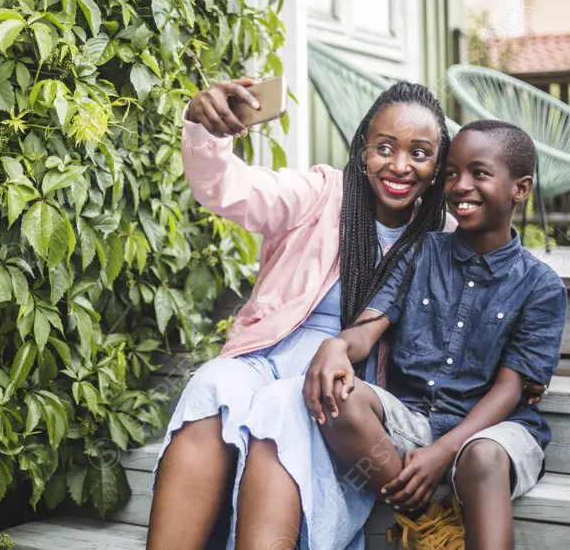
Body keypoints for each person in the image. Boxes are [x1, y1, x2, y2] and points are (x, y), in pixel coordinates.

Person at [147, 76, 457, 550]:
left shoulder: (442, 234)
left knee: (286, 404)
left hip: (345, 388)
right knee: (212, 382)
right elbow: (229, 189)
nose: (399, 165)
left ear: (438, 166)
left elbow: (497, 281)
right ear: (362, 149)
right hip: (264, 358)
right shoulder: (320, 193)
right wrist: (204, 130)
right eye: (384, 148)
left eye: (419, 153)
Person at [297, 119, 568, 550]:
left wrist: (444, 451)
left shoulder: (540, 286)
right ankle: (431, 524)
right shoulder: (420, 251)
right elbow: (368, 329)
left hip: (493, 430)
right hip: (414, 420)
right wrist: (335, 345)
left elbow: (509, 390)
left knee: (481, 458)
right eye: (452, 173)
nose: (460, 186)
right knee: (336, 395)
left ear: (520, 189)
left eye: (479, 173)